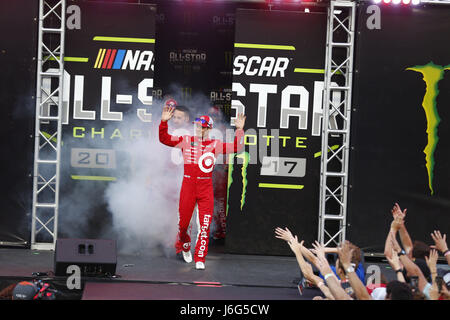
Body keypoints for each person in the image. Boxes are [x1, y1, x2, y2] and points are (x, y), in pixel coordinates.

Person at [159, 104, 246, 270]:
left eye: (204, 127)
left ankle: (200, 257)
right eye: (198, 126)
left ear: (210, 129)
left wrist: (240, 130)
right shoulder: (185, 140)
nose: (200, 130)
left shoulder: (216, 144)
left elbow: (237, 147)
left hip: (205, 187)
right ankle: (184, 246)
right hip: (188, 186)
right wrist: (163, 122)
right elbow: (164, 139)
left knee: (204, 226)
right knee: (183, 226)